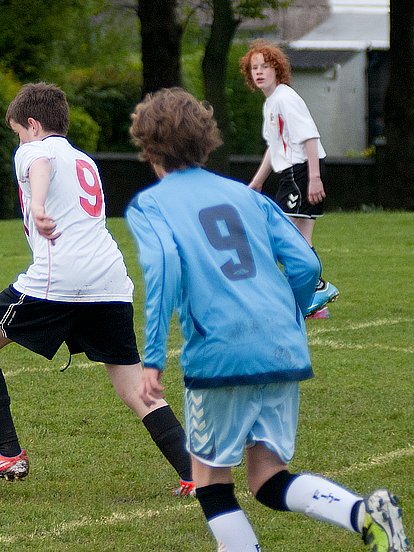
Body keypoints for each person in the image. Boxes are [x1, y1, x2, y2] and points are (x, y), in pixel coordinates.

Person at [125, 87, 410, 552]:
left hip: (220, 352)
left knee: (209, 477)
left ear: (148, 149)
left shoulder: (150, 205)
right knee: (266, 478)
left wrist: (153, 359)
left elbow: (163, 275)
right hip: (283, 345)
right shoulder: (246, 196)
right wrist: (291, 315)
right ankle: (364, 514)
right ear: (206, 141)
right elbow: (306, 265)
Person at [0, 82, 193, 495]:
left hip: (59, 278)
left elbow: (39, 162)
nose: (19, 141)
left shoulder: (34, 148)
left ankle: (6, 452)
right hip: (112, 282)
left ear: (32, 124)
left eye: (17, 131)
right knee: (134, 387)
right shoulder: (84, 159)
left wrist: (40, 205)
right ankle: (195, 473)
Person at [239, 39, 339, 318]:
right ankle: (313, 303)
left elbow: (310, 136)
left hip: (302, 172)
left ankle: (315, 287)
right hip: (295, 173)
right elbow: (275, 147)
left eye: (265, 67)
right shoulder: (272, 102)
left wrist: (314, 178)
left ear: (278, 70)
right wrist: (258, 181)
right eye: (253, 67)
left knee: (283, 235)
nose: (259, 72)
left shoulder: (285, 97)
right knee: (300, 237)